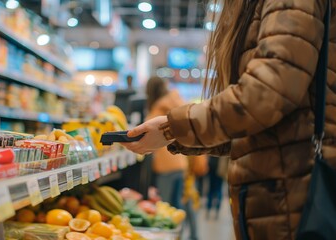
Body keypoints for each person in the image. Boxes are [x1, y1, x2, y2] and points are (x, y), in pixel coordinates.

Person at [121, 1, 336, 239]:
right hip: (282, 193)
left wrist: (171, 129)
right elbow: (252, 127)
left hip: (294, 195)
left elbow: (263, 97)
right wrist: (171, 132)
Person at [144, 76, 198, 239]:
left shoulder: (157, 108)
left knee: (166, 212)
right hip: (180, 163)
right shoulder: (175, 103)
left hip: (165, 166)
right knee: (181, 208)